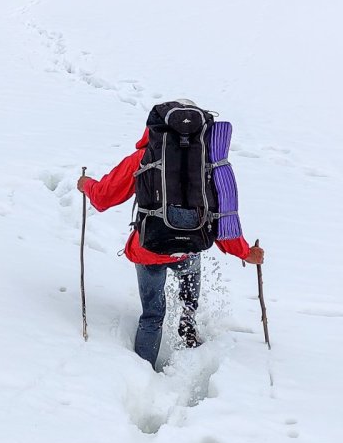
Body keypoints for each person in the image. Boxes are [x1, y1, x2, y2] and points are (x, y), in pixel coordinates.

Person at [78, 118, 264, 370]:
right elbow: (222, 218)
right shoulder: (208, 162)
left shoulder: (143, 158)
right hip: (188, 249)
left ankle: (142, 373)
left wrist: (86, 185)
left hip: (149, 249)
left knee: (152, 316)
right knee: (189, 295)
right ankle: (189, 332)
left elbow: (103, 197)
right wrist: (245, 253)